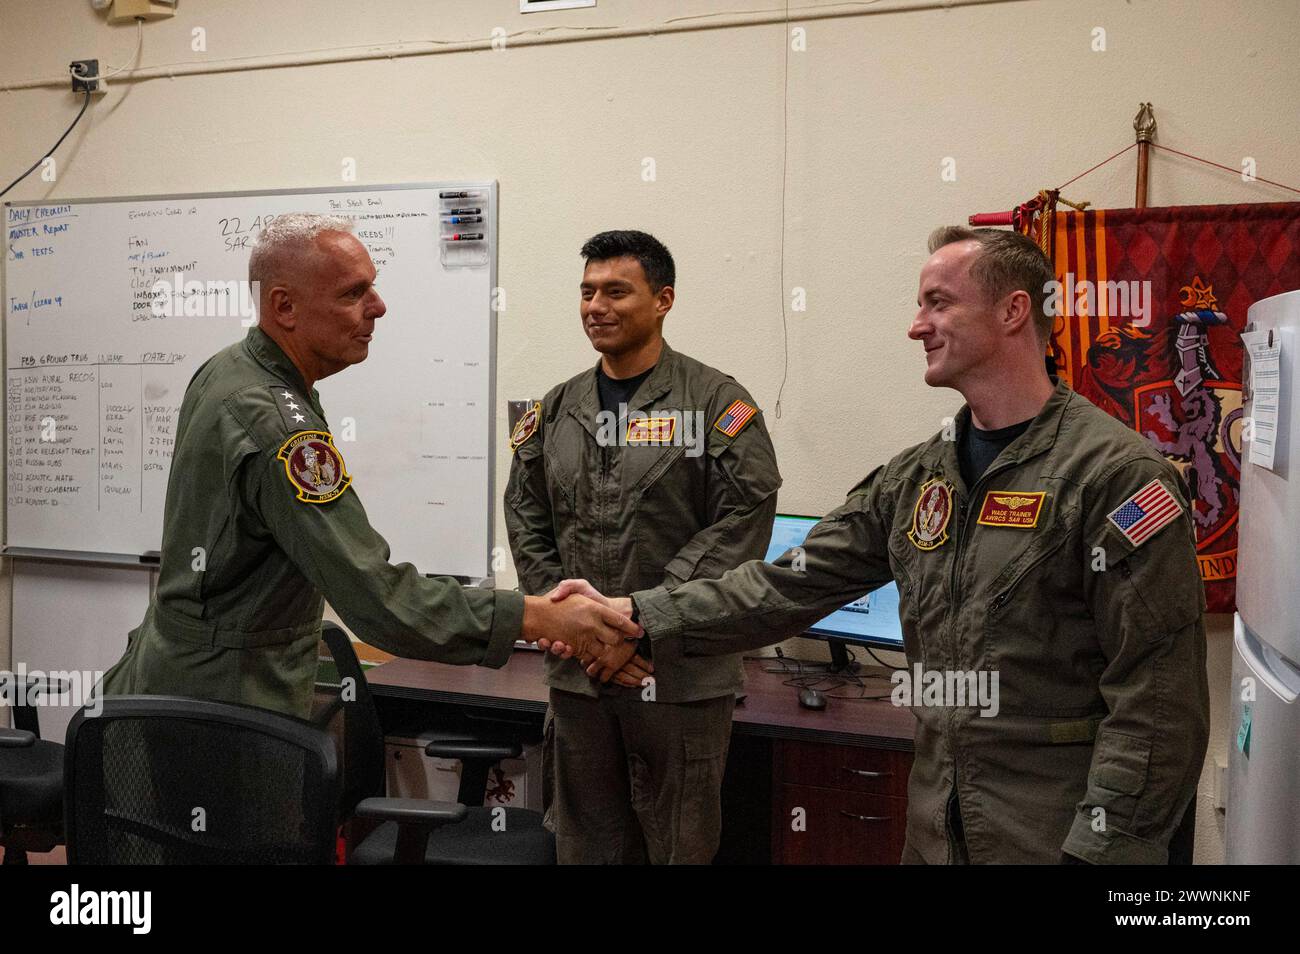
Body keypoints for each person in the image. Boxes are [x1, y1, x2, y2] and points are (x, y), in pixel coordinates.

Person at [552, 227, 1210, 865]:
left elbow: (1157, 702)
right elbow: (788, 586)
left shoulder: (1114, 478)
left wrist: (1102, 852)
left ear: (1014, 311)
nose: (915, 325)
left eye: (938, 302)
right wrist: (635, 617)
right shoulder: (919, 477)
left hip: (1050, 836)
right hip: (934, 830)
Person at [102, 213, 637, 719]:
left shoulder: (234, 371)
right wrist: (537, 615)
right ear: (284, 307)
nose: (378, 307)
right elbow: (377, 598)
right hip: (221, 704)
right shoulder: (275, 422)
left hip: (188, 684)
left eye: (371, 287)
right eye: (353, 294)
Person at [505, 230, 781, 863]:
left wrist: (641, 618)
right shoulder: (554, 410)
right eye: (587, 292)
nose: (596, 306)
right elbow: (525, 517)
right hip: (579, 676)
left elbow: (744, 516)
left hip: (678, 674)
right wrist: (580, 630)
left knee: (679, 846)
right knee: (585, 847)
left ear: (663, 300)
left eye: (615, 291)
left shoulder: (715, 402)